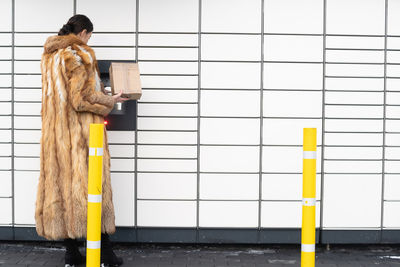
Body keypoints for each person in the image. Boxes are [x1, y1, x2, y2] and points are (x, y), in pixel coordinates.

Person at [35, 14, 129, 267]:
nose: (89, 40)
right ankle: (105, 253)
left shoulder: (50, 56)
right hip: (81, 136)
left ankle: (71, 254)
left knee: (62, 190)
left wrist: (100, 94)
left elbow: (66, 96)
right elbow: (80, 100)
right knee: (92, 188)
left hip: (55, 135)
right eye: (90, 36)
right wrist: (111, 100)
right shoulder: (79, 54)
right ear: (84, 32)